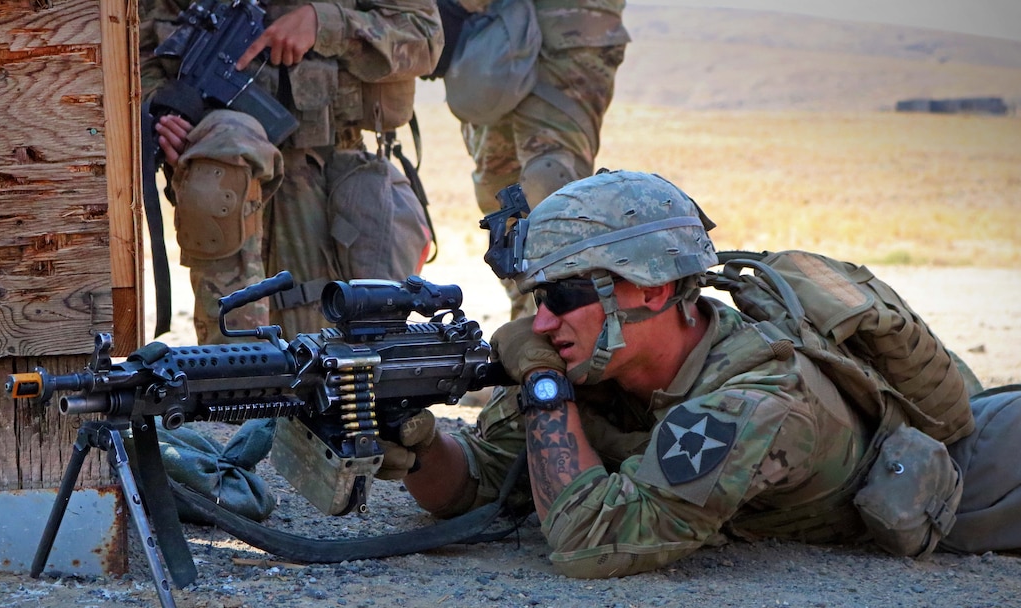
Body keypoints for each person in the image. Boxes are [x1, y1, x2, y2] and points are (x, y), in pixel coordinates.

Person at [381, 169, 1021, 579]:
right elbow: (486, 485)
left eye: (563, 296)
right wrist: (419, 446)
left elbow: (589, 542)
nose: (540, 324)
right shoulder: (605, 363)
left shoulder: (754, 396)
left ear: (653, 292)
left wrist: (544, 388)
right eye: (536, 301)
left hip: (981, 473)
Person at [140, 0, 443, 343]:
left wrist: (323, 23)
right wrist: (162, 109)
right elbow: (137, 48)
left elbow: (425, 38)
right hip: (224, 174)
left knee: (333, 347)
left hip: (327, 167)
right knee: (242, 368)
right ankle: (240, 379)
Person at [443, 0, 630, 319]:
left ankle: (567, 317)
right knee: (499, 188)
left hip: (567, 24)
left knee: (550, 181)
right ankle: (532, 317)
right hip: (494, 26)